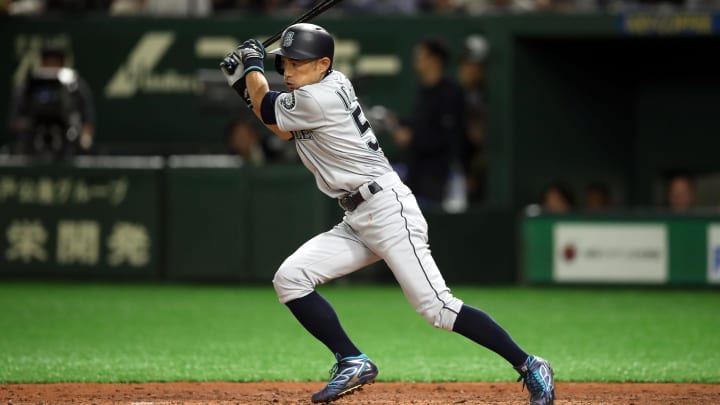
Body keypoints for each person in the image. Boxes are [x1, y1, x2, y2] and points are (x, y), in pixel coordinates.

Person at [220, 23, 555, 405]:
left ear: (323, 64)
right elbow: (278, 124)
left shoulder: (317, 98)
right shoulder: (322, 86)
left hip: (388, 211)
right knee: (291, 279)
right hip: (357, 217)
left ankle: (530, 365)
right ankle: (352, 360)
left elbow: (268, 108)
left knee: (438, 309)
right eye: (285, 63)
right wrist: (243, 78)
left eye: (298, 62)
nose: (289, 69)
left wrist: (249, 66)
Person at [392, 38, 466, 210]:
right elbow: (422, 125)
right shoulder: (423, 89)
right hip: (415, 172)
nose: (416, 61)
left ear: (435, 60)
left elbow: (450, 137)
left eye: (421, 56)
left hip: (438, 176)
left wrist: (412, 138)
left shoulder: (451, 93)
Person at [7, 39, 95, 157]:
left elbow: (87, 123)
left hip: (67, 153)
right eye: (49, 62)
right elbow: (14, 121)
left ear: (63, 63)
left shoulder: (75, 86)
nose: (53, 68)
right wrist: (34, 122)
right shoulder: (29, 86)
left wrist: (84, 140)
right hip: (31, 152)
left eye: (57, 63)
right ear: (42, 63)